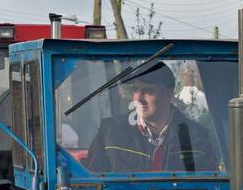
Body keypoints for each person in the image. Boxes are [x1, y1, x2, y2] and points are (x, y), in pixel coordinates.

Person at [85, 62, 217, 173]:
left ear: (168, 95)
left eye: (148, 91)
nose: (138, 98)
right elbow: (89, 188)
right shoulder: (109, 132)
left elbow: (211, 189)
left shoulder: (197, 139)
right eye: (136, 89)